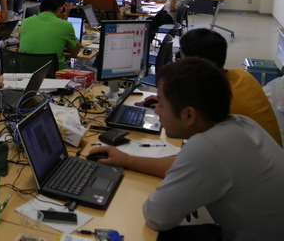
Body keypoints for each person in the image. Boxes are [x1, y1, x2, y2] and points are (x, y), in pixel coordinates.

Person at [92, 58, 284, 240]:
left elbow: (156, 216)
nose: (156, 110)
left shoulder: (207, 148)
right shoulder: (241, 124)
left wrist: (182, 190)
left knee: (140, 233)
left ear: (189, 115)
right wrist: (128, 160)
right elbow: (185, 164)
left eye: (162, 105)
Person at [136, 28, 281, 146]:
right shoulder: (241, 75)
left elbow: (189, 158)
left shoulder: (219, 102)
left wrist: (128, 159)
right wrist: (170, 103)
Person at [19, 0, 81, 74]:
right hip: (53, 76)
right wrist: (65, 20)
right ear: (62, 8)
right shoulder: (65, 25)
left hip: (26, 75)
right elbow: (75, 52)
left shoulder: (25, 22)